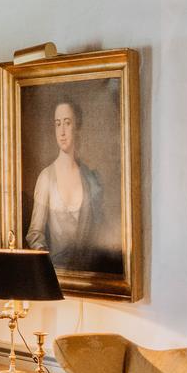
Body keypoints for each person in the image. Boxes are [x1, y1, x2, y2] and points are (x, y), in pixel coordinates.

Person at [24, 98, 115, 275]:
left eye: (67, 123)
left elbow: (100, 230)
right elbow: (35, 233)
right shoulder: (46, 178)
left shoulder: (90, 178)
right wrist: (47, 270)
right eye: (58, 124)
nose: (62, 132)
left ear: (77, 127)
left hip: (88, 273)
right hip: (57, 272)